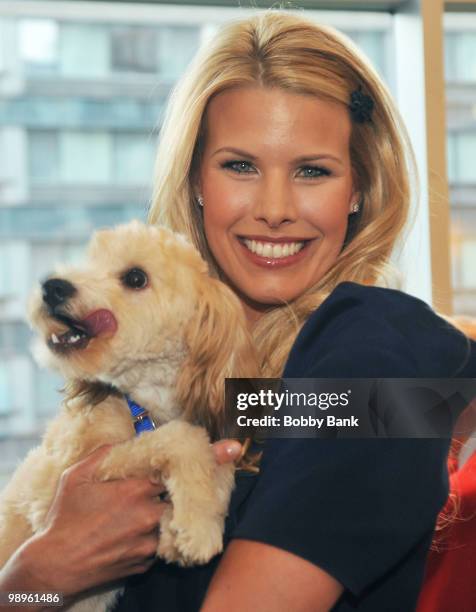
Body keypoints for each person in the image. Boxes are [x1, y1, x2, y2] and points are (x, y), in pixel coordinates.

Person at [1, 9, 475, 612]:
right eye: (240, 166)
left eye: (312, 171)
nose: (274, 208)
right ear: (196, 178)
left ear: (358, 188)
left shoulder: (371, 341)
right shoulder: (212, 387)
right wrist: (33, 581)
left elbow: (401, 397)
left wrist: (35, 580)